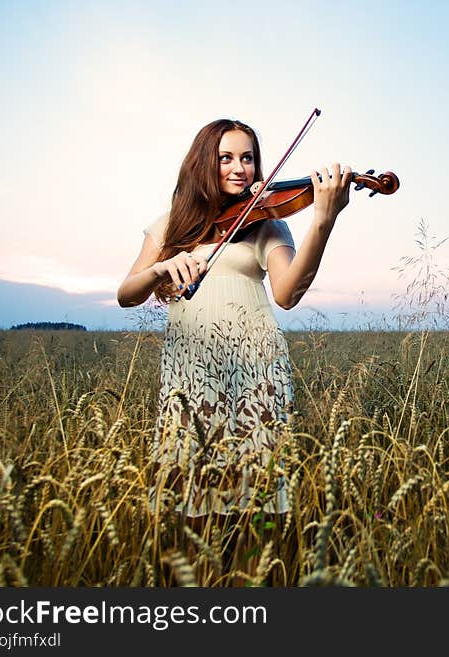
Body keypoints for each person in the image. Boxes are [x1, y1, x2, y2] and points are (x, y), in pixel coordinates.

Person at [117, 118, 352, 583]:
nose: (240, 168)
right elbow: (127, 293)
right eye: (226, 157)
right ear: (204, 162)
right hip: (192, 371)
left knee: (258, 498)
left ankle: (251, 583)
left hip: (255, 366)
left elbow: (286, 292)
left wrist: (322, 221)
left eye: (248, 157)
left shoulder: (266, 223)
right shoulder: (171, 224)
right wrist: (164, 266)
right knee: (193, 496)